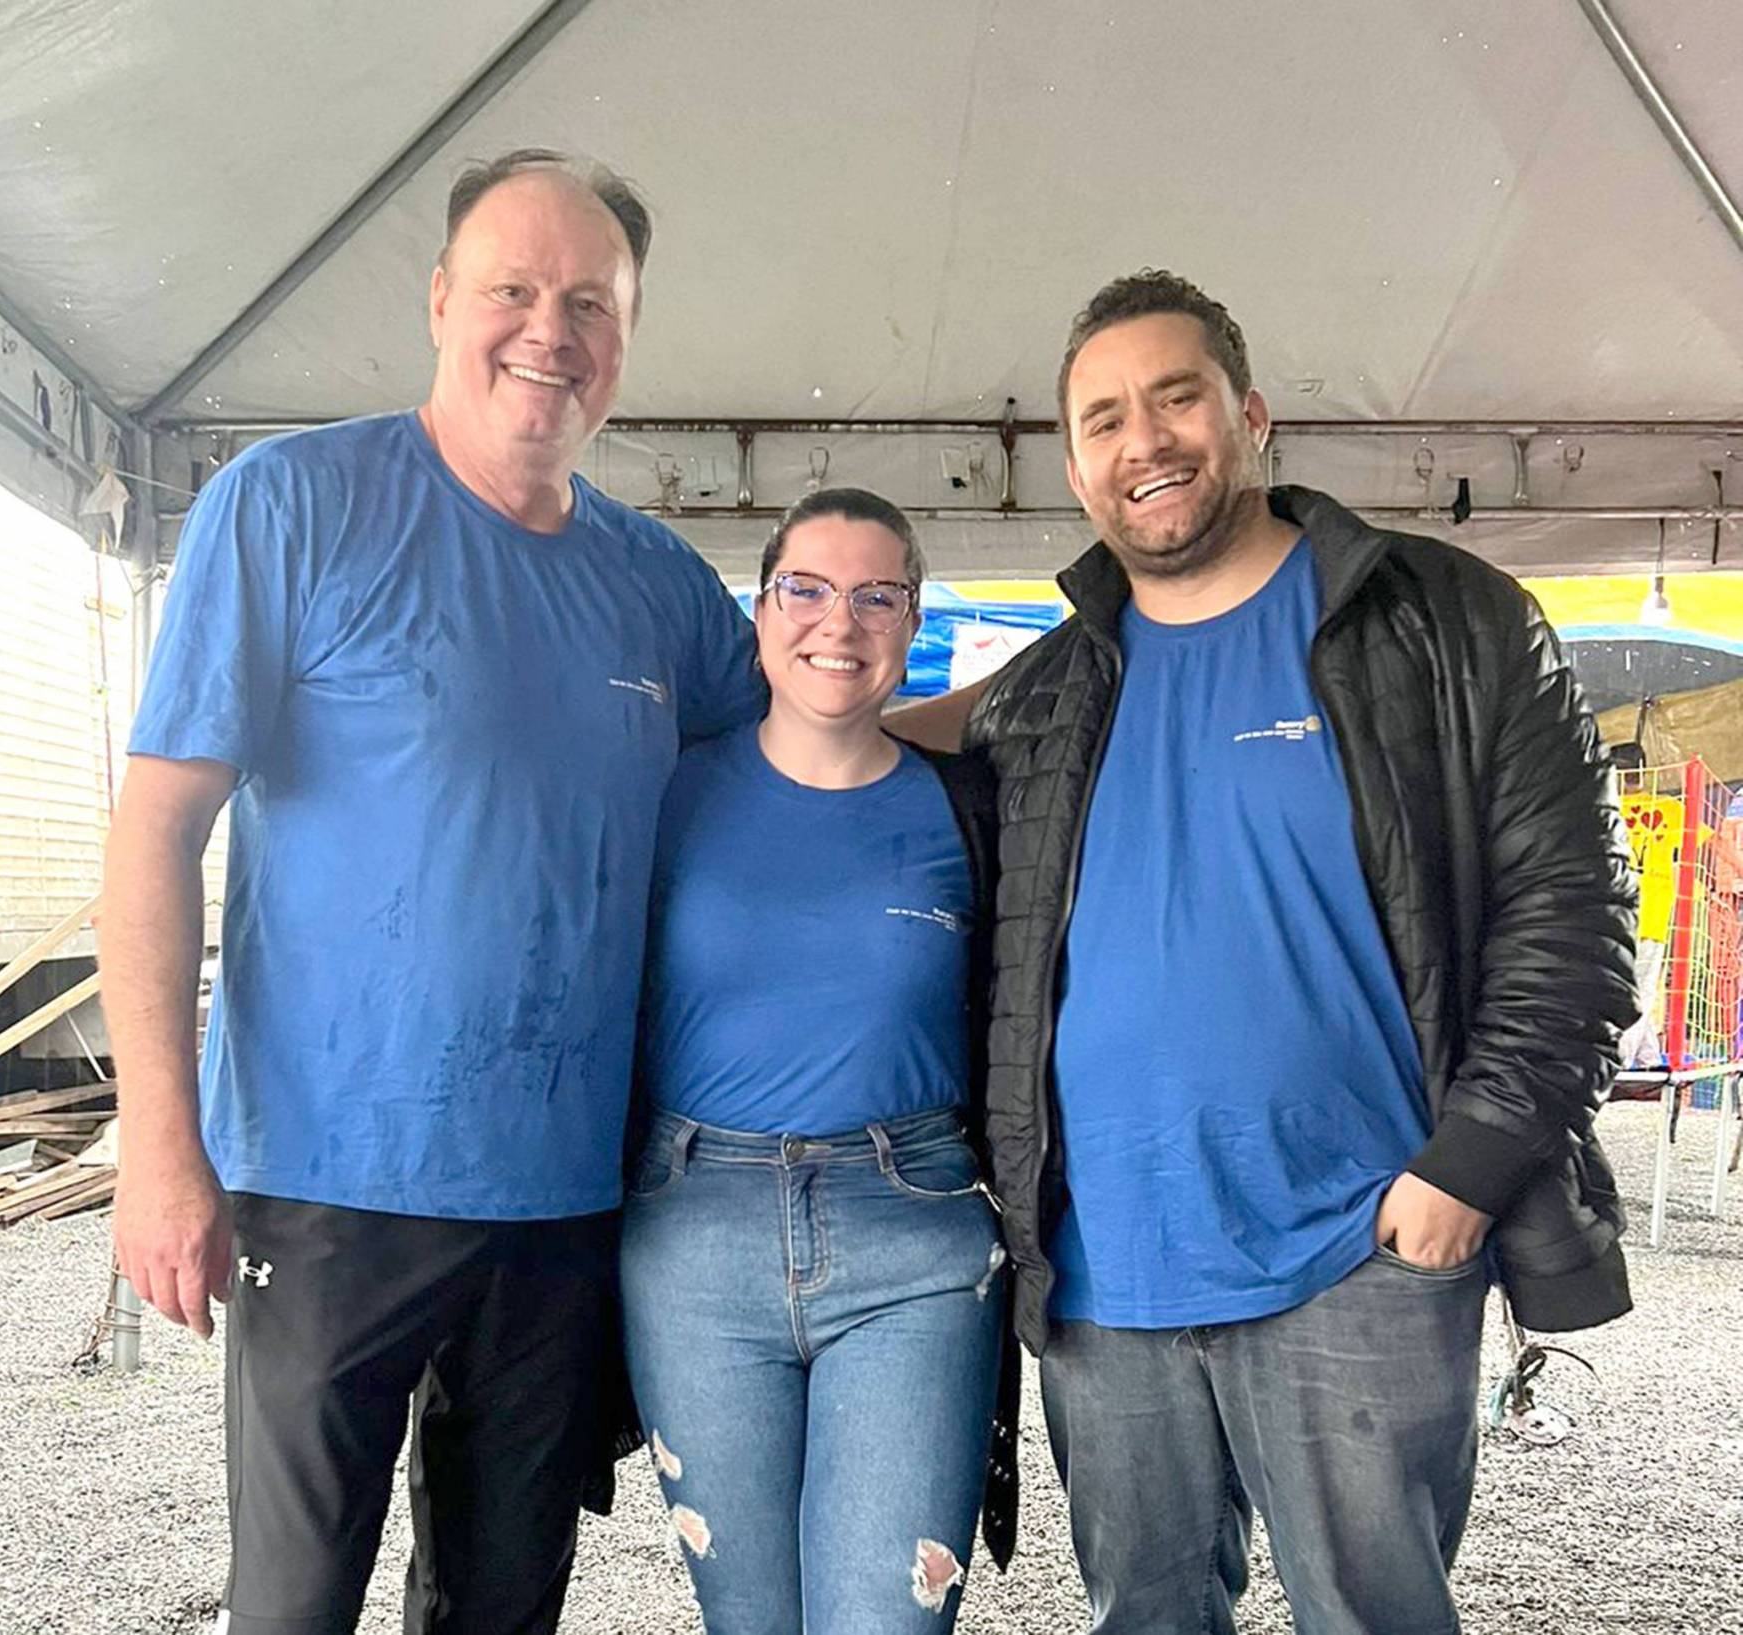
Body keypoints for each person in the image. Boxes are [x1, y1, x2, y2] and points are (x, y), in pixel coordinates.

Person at [98, 150, 765, 1635]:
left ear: (628, 335)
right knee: (293, 1602)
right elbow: (154, 832)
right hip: (330, 1184)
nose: (551, 327)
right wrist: (159, 1143)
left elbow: (808, 754)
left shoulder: (657, 584)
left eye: (590, 300)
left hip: (565, 1192)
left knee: (502, 1600)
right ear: (442, 301)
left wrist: (1043, 699)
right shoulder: (293, 504)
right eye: (515, 288)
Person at [959, 270, 1640, 1634]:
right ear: (1076, 466)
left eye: (1175, 398)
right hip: (1109, 1271)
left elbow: (1575, 913)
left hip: (1362, 1245)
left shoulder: (1449, 624)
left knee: (1374, 1612)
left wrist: (1472, 1163)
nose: (1142, 441)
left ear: (1250, 413)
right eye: (1103, 420)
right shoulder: (1050, 694)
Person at [620, 487, 1012, 1634]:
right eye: (807, 589)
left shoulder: (969, 809)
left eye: (875, 596)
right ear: (758, 608)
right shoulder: (664, 789)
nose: (837, 624)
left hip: (913, 1236)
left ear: (909, 618)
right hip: (693, 1234)